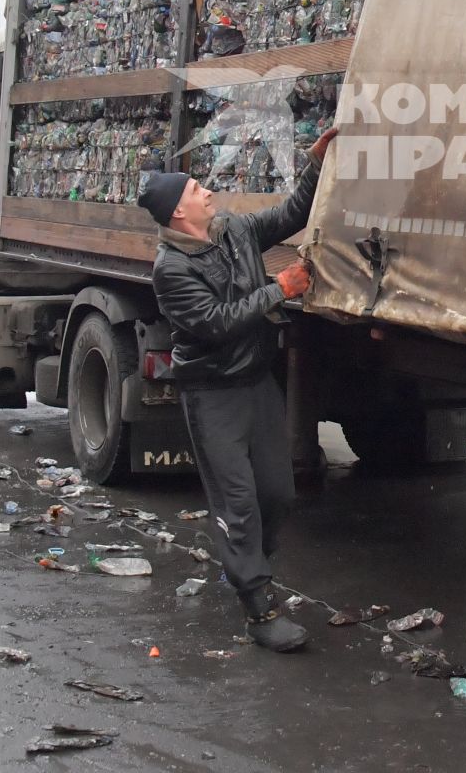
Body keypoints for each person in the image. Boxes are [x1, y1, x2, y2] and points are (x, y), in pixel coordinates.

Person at [138, 126, 337, 652]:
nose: (207, 192)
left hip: (256, 383)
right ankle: (259, 608)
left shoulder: (235, 232)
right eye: (195, 189)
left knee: (277, 493)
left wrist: (316, 162)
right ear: (179, 213)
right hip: (213, 394)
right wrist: (280, 289)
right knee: (238, 503)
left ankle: (250, 567)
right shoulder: (171, 268)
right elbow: (217, 322)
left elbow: (291, 215)